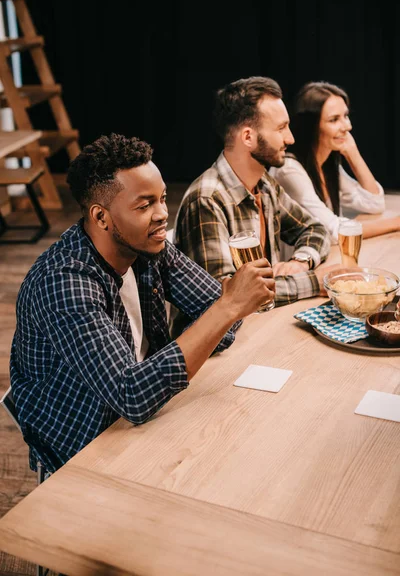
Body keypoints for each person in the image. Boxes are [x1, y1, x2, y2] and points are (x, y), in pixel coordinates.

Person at [10, 133, 275, 474]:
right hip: (80, 452)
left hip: (146, 422)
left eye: (162, 199)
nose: (163, 214)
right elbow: (132, 394)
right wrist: (227, 307)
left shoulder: (148, 247)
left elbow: (223, 325)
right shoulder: (64, 284)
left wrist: (225, 309)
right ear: (101, 217)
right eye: (144, 205)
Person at [173, 76, 339, 319]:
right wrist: (314, 282)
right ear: (248, 137)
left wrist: (301, 262)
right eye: (281, 128)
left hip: (261, 325)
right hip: (222, 350)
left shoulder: (265, 185)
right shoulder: (206, 199)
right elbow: (225, 296)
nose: (290, 138)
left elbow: (315, 229)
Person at [270, 81, 400, 243]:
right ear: (312, 126)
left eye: (345, 116)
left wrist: (353, 154)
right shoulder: (289, 170)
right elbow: (332, 231)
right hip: (300, 263)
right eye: (334, 120)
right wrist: (395, 223)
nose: (347, 126)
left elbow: (374, 203)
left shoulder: (327, 164)